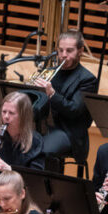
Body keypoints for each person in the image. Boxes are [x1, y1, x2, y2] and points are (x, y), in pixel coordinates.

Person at [35, 29, 96, 165]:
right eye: (60, 50)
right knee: (15, 143)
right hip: (45, 127)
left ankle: (44, 185)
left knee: (41, 151)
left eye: (69, 51)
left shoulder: (87, 79)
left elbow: (74, 109)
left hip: (69, 132)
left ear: (80, 51)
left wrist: (52, 94)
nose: (63, 55)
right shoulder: (49, 72)